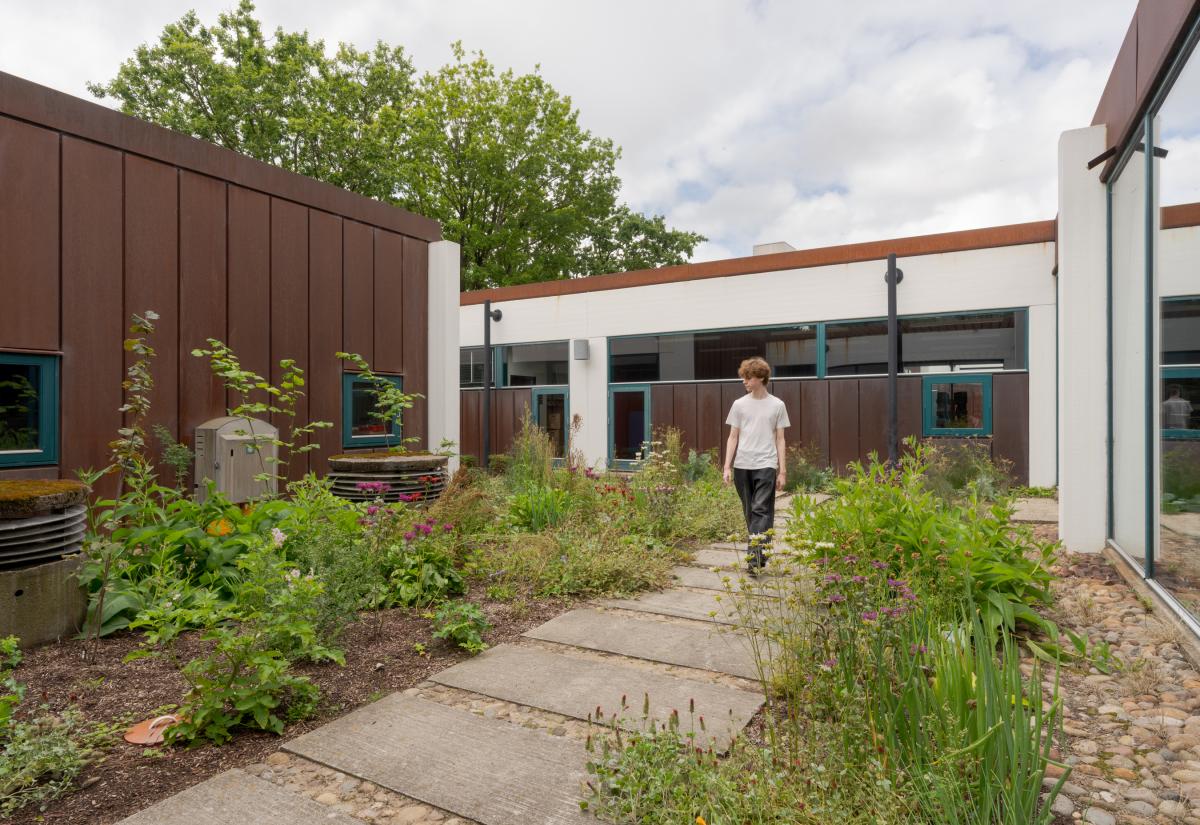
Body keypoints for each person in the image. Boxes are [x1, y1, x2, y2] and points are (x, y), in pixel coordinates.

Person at [722, 357, 789, 574]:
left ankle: (754, 560)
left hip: (766, 464)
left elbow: (780, 439)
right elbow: (733, 437)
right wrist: (726, 467)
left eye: (748, 377)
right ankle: (763, 550)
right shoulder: (739, 405)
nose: (744, 381)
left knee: (760, 510)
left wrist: (782, 471)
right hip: (742, 465)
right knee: (751, 513)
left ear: (760, 378)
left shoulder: (777, 405)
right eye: (743, 377)